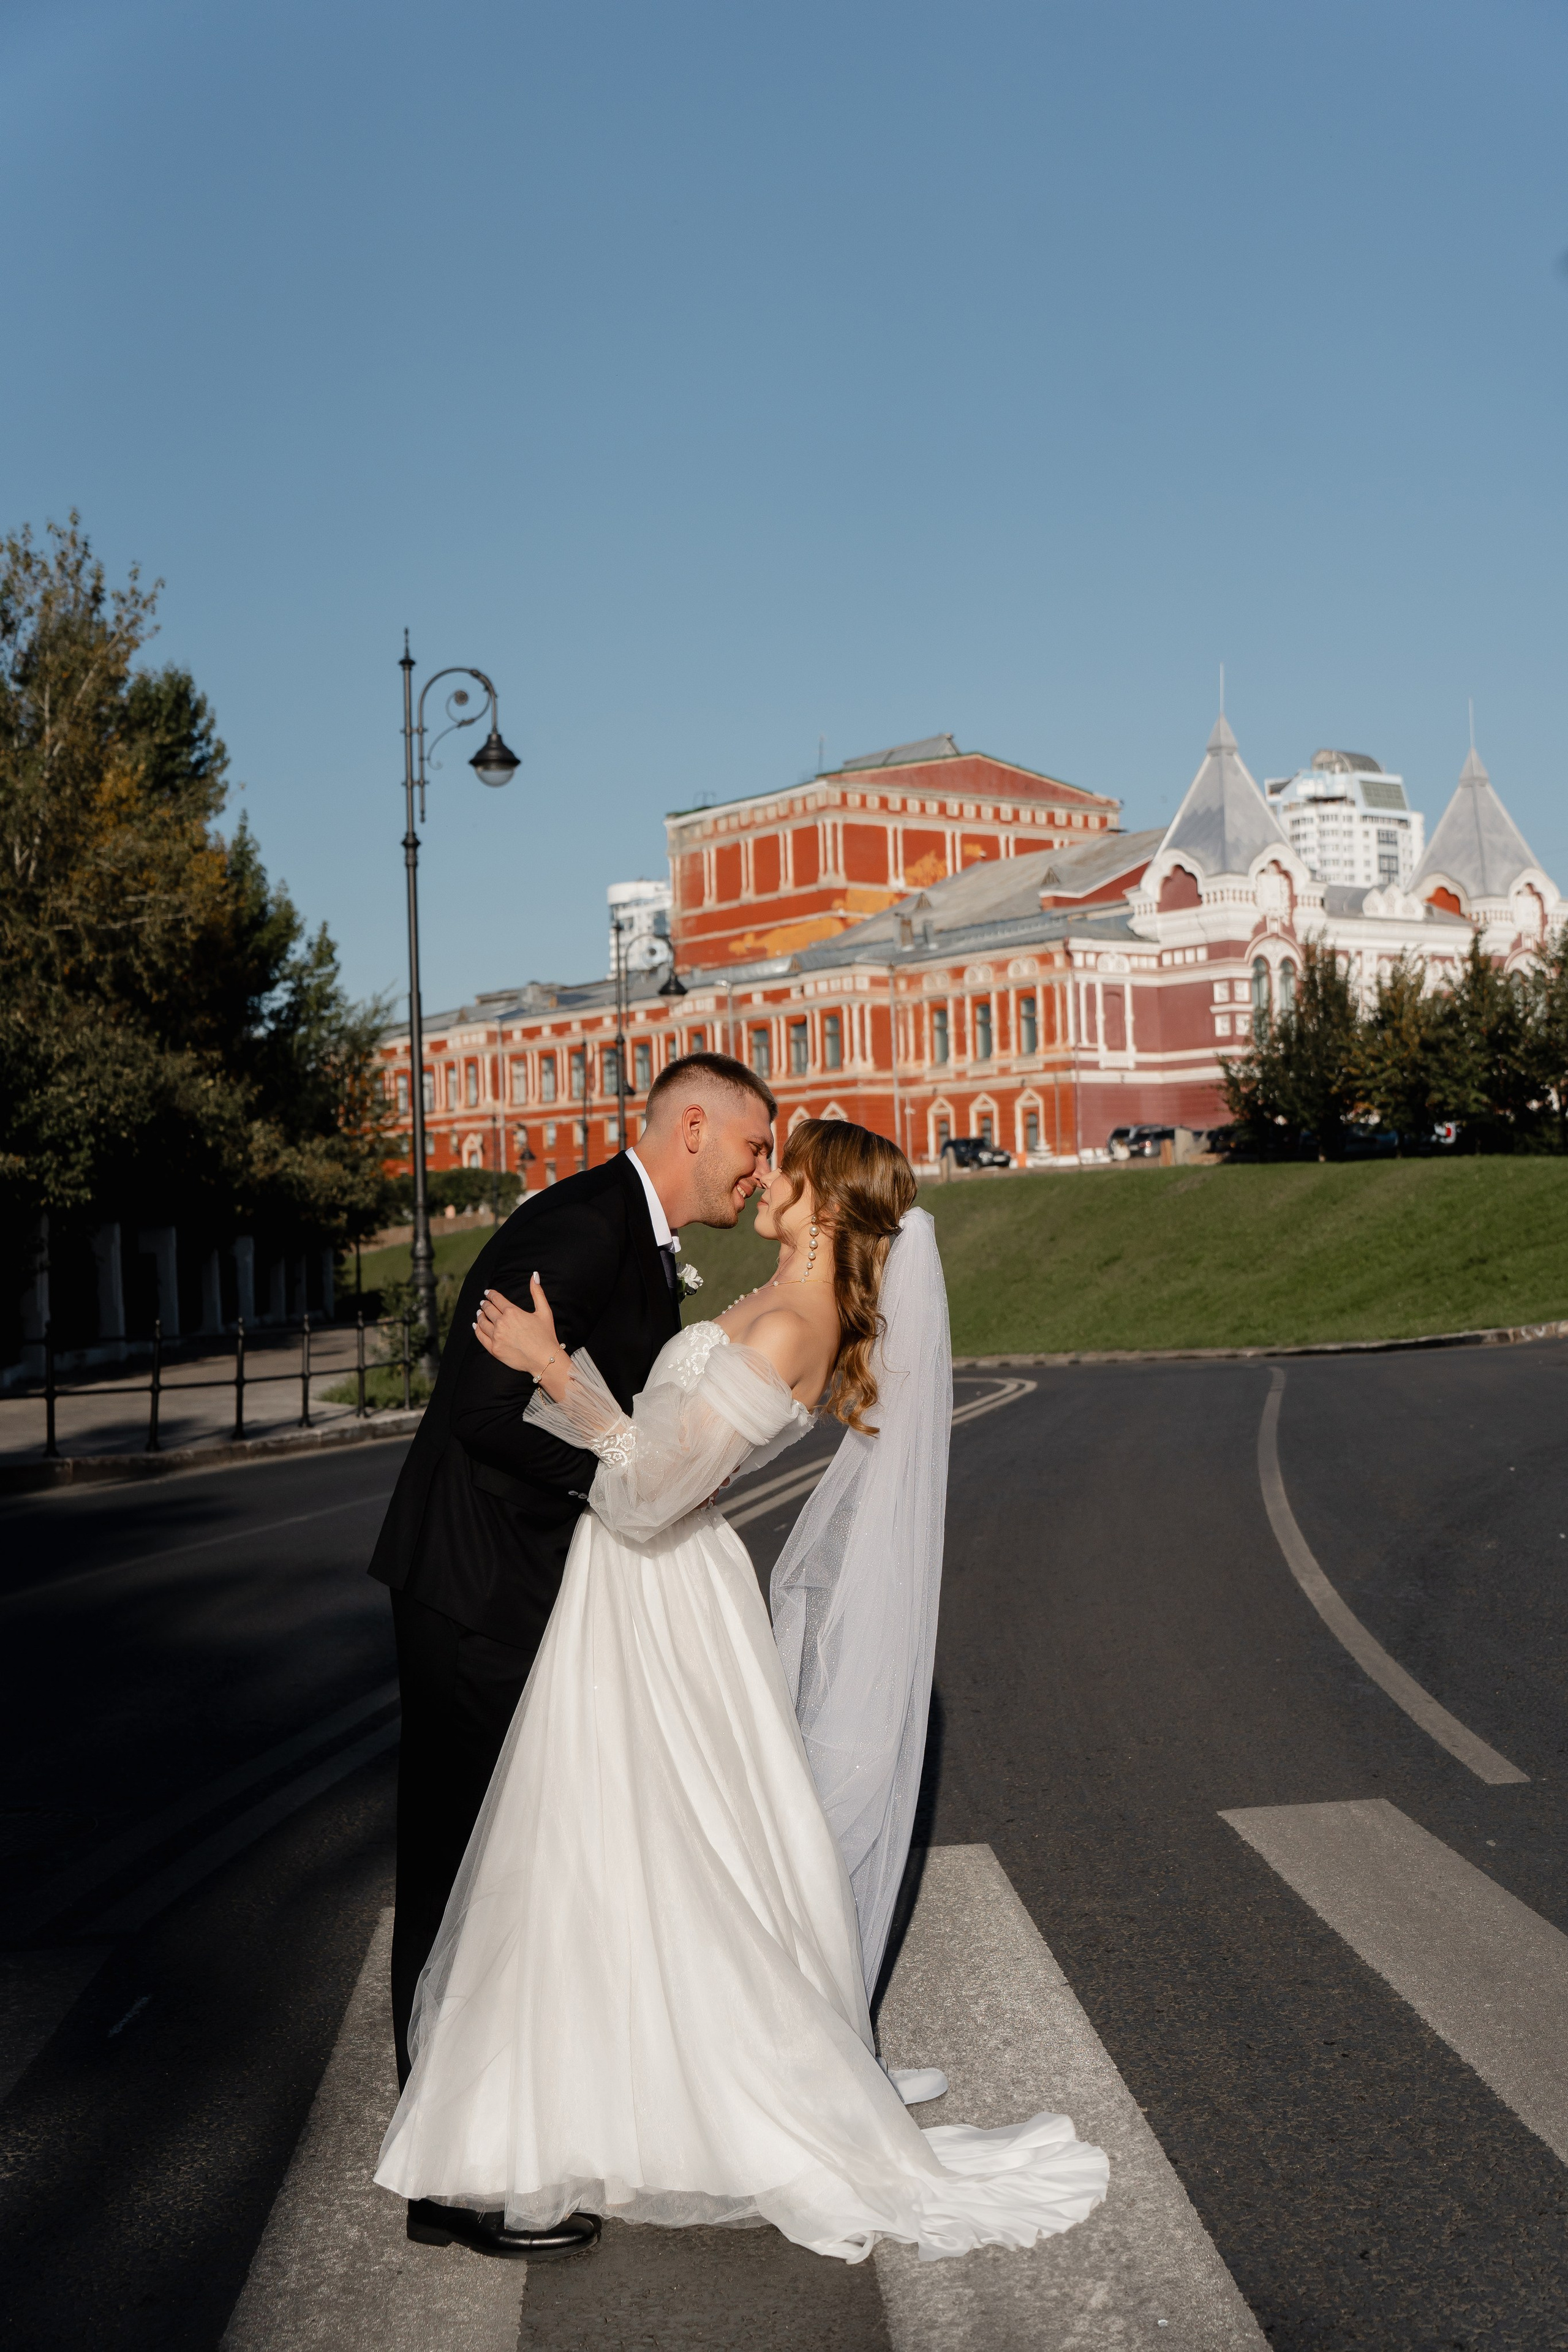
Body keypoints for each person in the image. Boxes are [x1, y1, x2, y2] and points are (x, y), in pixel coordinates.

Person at [375, 1117, 1108, 2264]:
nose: (764, 1176)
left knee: (668, 1844)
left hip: (659, 1588)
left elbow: (650, 1496)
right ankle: (585, 2083)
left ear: (826, 1202)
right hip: (642, 1587)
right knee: (620, 1844)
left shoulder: (793, 1323)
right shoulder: (775, 1300)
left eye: (785, 1166)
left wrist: (554, 1368)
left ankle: (650, 2093)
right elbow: (660, 1459)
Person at [366, 1051, 777, 2261]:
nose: (760, 1175)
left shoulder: (631, 1234)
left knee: (508, 1864)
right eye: (753, 1147)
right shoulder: (587, 1229)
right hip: (476, 1590)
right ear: (693, 1127)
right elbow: (482, 1414)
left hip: (517, 1588)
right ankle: (452, 2178)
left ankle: (494, 2131)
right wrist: (623, 1477)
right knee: (463, 1869)